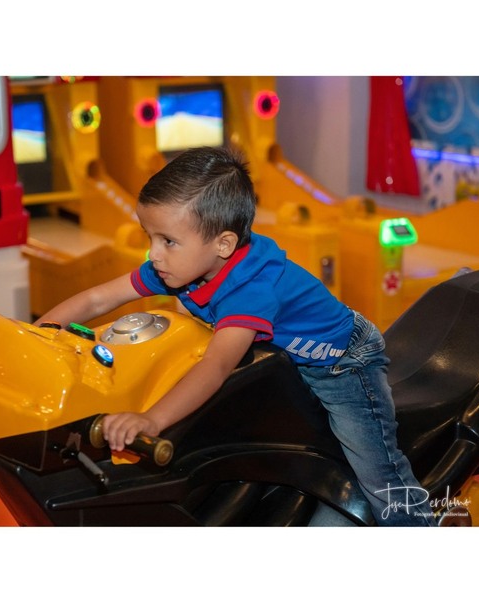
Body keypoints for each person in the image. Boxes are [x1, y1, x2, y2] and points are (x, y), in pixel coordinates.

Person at [36, 146, 436, 526]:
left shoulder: (249, 291)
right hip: (283, 360)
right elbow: (97, 298)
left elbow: (216, 365)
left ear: (224, 244)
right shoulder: (180, 265)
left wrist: (152, 419)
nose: (154, 254)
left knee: (378, 470)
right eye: (150, 237)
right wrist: (41, 334)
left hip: (343, 364)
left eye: (168, 241)